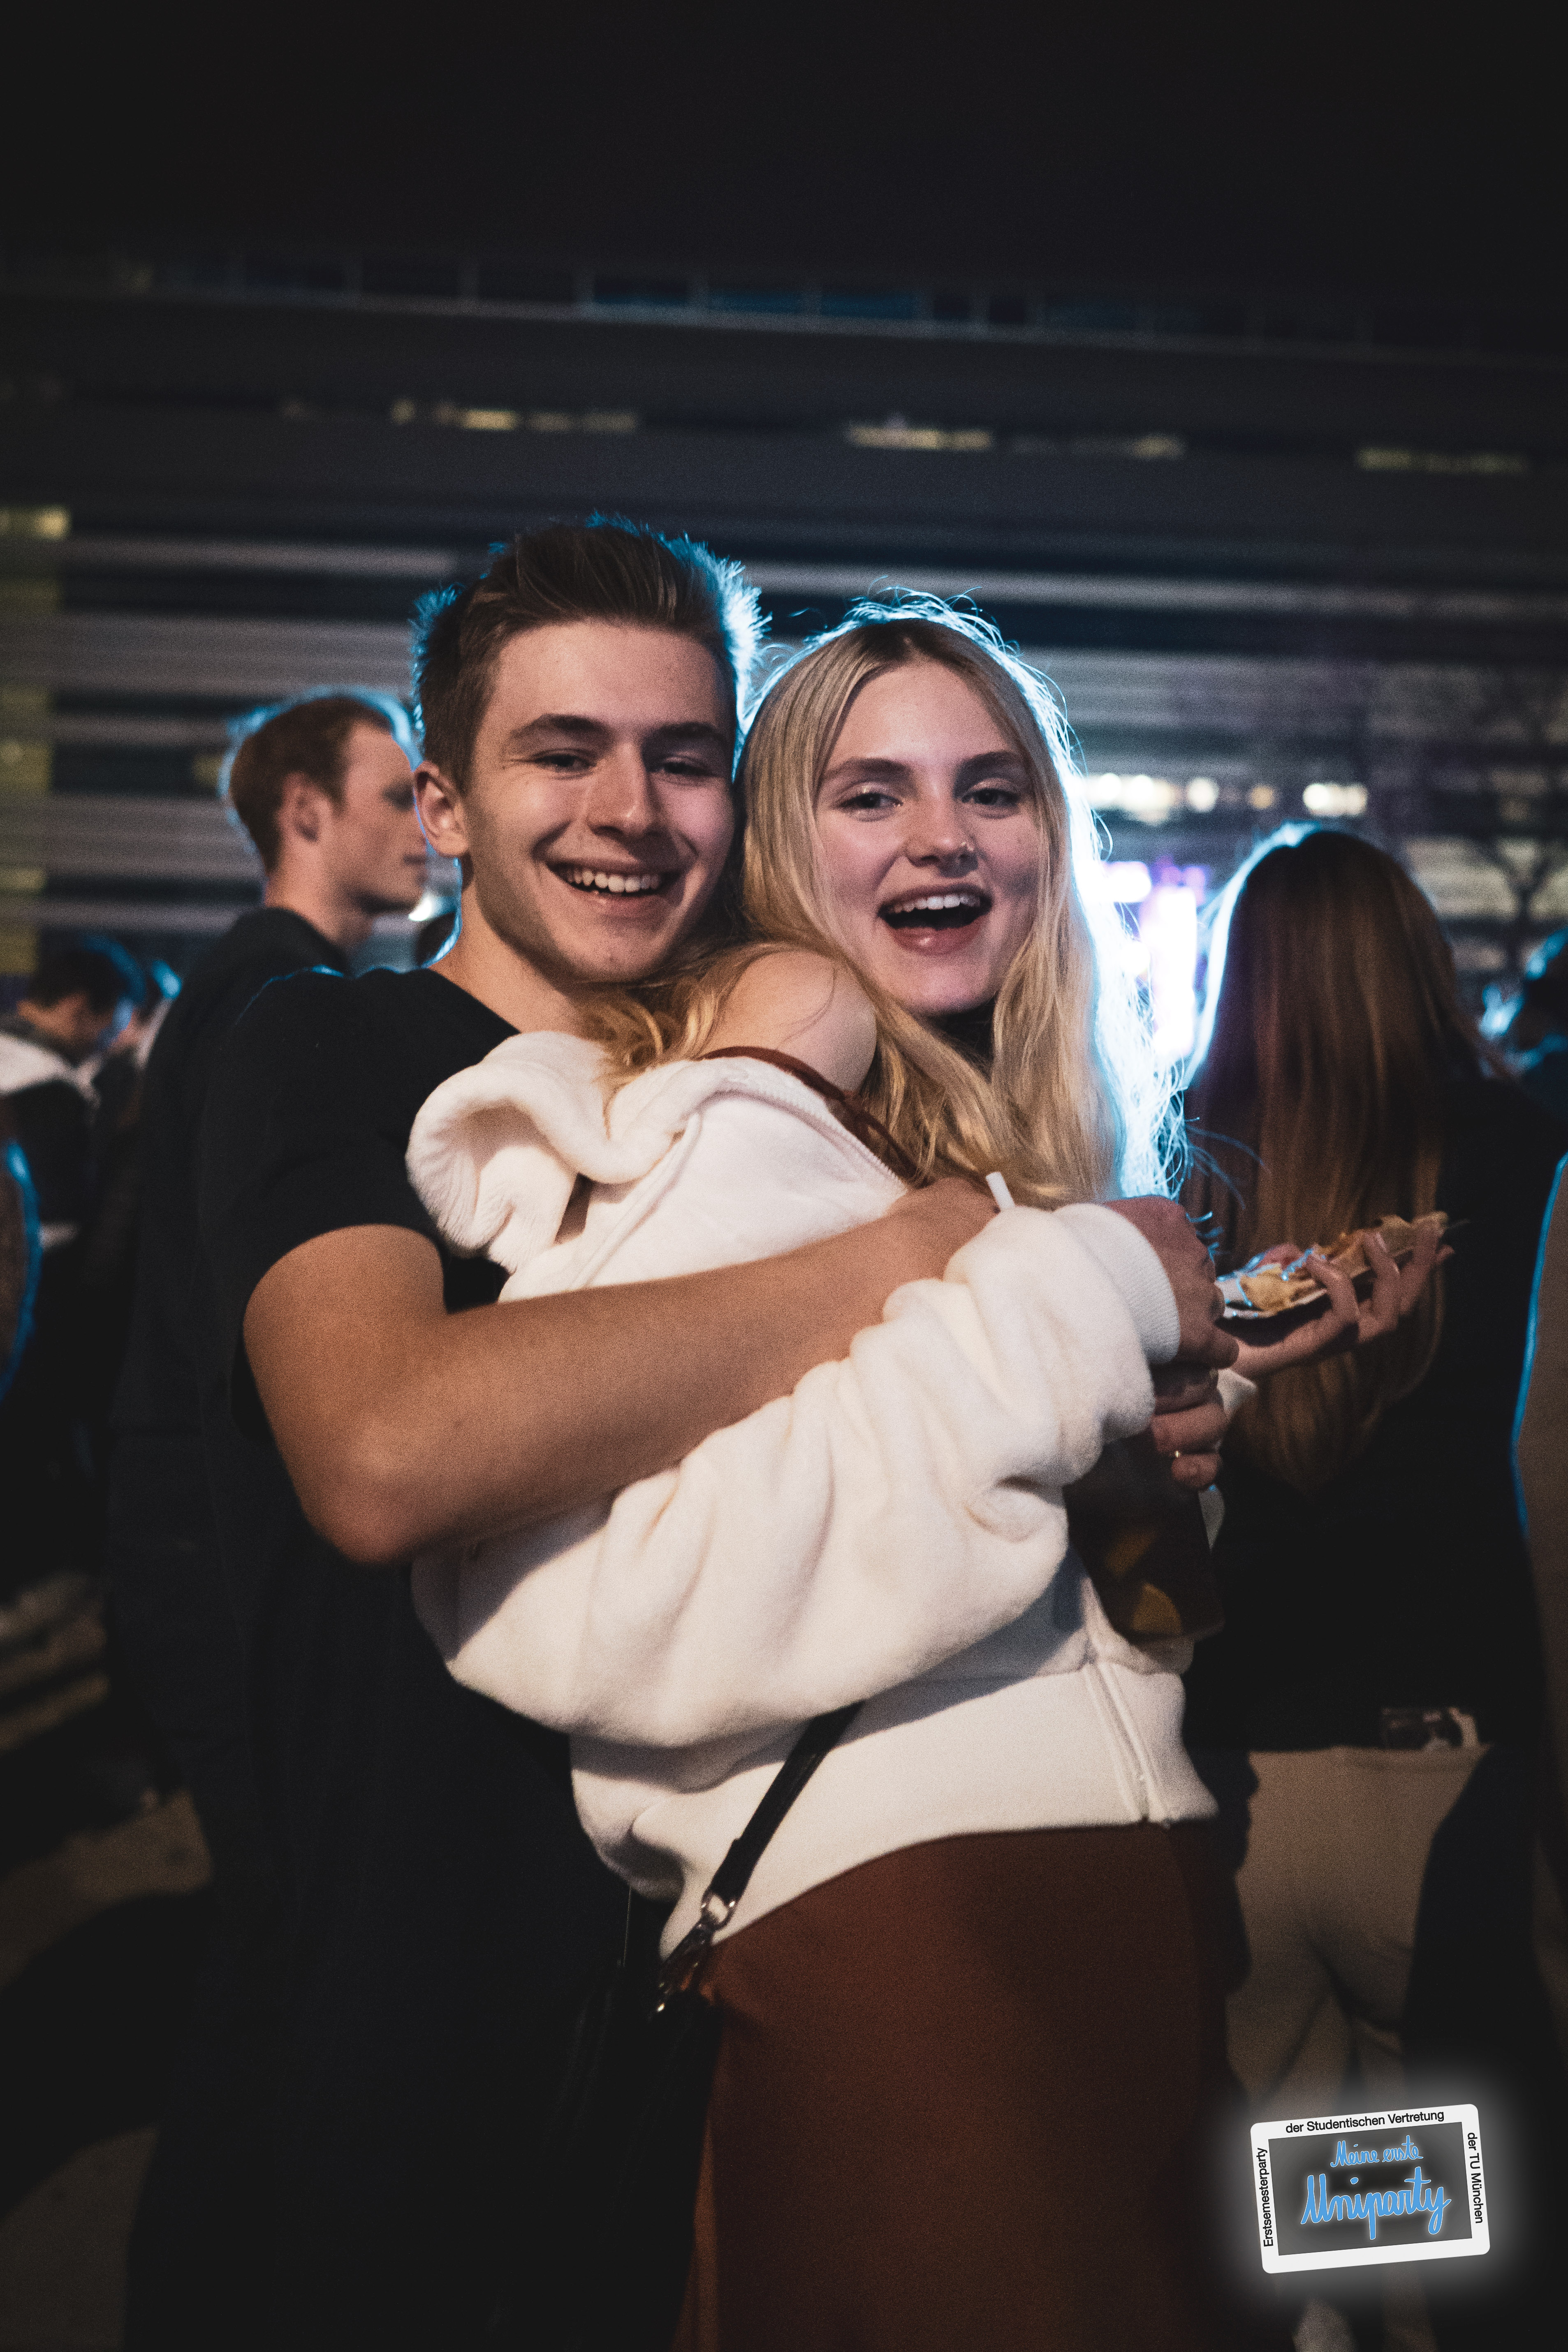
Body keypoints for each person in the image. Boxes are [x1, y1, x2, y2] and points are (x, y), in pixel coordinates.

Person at [403, 607, 1438, 2350]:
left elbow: (985, 1538)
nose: (943, 837)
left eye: (991, 790)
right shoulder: (741, 1114)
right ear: (776, 844)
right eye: (869, 794)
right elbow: (601, 1600)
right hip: (914, 1941)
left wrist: (1151, 1450)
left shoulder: (999, 1146)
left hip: (1126, 1908)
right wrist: (1078, 1303)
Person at [198, 525, 1178, 2350]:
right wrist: (913, 1261)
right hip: (404, 2016)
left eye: (680, 757)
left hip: (704, 1981)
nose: (628, 812)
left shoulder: (760, 1082)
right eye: (560, 752)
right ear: (442, 802)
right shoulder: (334, 1047)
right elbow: (383, 1452)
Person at [1180, 827, 1567, 2349]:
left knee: (1286, 2288)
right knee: (1427, 2282)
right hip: (1438, 1794)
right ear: (1421, 957)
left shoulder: (1173, 1172)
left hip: (1237, 1796)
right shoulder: (1520, 1157)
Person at [107, 689, 427, 2350]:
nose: (423, 821)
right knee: (278, 1948)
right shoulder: (275, 997)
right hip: (216, 1552)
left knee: (275, 1943)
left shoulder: (257, 987)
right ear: (304, 810)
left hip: (196, 1537)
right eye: (392, 792)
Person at [0, 935, 143, 1587]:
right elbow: (55, 1225)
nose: (109, 1044)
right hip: (26, 1314)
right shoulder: (48, 1092)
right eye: (110, 1025)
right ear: (81, 1008)